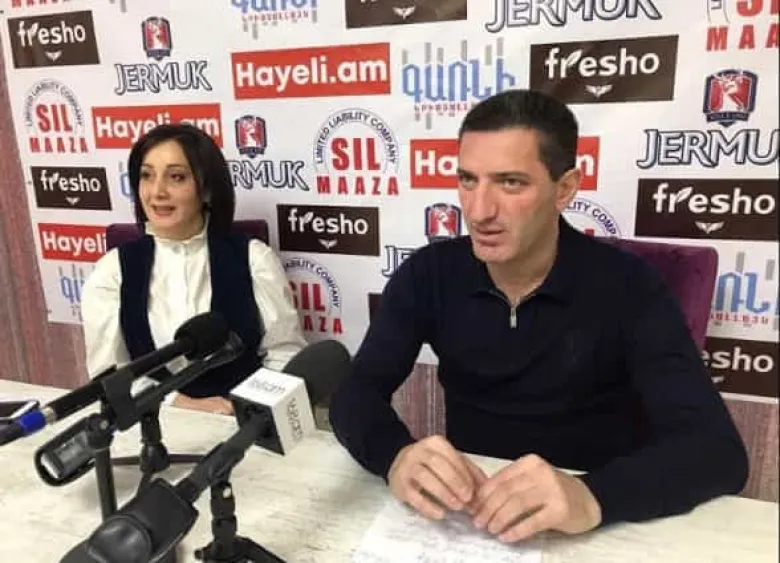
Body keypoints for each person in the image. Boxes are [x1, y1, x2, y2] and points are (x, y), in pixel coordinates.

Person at [328, 90, 748, 542]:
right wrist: (394, 456)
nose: (479, 211)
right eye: (468, 180)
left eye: (511, 183)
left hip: (591, 530)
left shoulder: (630, 286)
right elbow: (355, 392)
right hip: (469, 525)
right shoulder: (428, 274)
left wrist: (593, 496)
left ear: (564, 188)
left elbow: (716, 450)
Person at [81, 124, 307, 415]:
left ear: (208, 188)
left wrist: (249, 411)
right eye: (147, 176)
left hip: (245, 422)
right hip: (154, 421)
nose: (157, 192)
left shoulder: (254, 259)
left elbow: (284, 355)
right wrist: (179, 404)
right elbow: (109, 377)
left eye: (176, 177)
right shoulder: (112, 271)